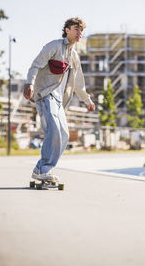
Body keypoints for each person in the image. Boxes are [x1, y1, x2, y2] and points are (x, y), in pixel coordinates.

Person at [23, 17, 95, 181]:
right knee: (54, 129)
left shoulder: (74, 56)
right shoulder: (54, 46)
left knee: (64, 135)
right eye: (76, 29)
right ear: (67, 30)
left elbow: (79, 84)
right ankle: (42, 169)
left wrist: (88, 101)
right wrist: (29, 83)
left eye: (81, 30)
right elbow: (35, 65)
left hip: (59, 101)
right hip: (45, 94)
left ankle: (42, 169)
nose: (80, 33)